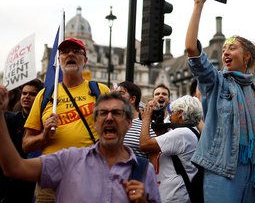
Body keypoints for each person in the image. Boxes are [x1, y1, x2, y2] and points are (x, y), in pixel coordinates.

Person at [184, 0, 255, 203]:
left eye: (231, 48)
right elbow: (192, 50)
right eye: (223, 50)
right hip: (222, 172)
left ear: (247, 56)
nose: (225, 52)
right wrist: (198, 5)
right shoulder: (217, 84)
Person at [0, 87, 160, 203]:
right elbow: (14, 167)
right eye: (103, 113)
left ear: (129, 123)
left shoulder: (145, 170)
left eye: (117, 113)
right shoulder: (69, 160)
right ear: (95, 123)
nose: (109, 118)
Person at [22, 37, 110, 202]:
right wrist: (44, 136)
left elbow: (117, 134)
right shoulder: (45, 95)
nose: (71, 54)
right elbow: (26, 145)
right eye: (65, 52)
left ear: (85, 59)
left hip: (89, 174)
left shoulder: (100, 90)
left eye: (76, 51)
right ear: (59, 59)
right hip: (50, 177)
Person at [140, 95, 202, 203]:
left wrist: (146, 119)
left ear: (181, 114)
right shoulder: (190, 131)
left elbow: (144, 144)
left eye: (172, 112)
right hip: (176, 195)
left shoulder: (182, 133)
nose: (170, 116)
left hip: (175, 196)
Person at [0, 79, 44, 203]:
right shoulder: (9, 119)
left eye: (32, 94)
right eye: (24, 93)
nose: (26, 97)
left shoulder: (47, 124)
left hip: (34, 184)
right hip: (9, 186)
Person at [116, 81, 157, 159]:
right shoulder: (113, 122)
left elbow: (154, 159)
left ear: (132, 99)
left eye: (121, 93)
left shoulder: (147, 124)